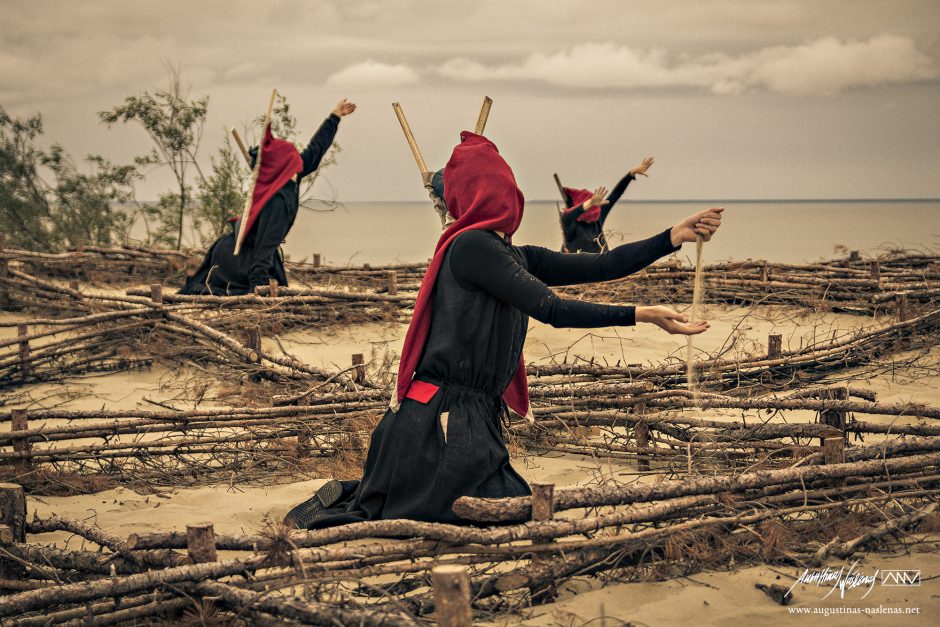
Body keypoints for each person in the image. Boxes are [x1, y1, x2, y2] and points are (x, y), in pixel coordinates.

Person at [284, 133, 722, 529]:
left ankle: (364, 489)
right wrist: (641, 314)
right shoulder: (471, 248)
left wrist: (671, 237)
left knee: (501, 504)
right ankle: (360, 491)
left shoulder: (511, 254)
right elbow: (551, 308)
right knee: (493, 510)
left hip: (465, 420)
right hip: (436, 424)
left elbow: (603, 265)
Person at [179, 99, 356, 295]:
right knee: (246, 290)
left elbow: (315, 150)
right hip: (238, 259)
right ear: (287, 164)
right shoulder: (278, 200)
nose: (301, 161)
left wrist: (334, 116)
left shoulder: (287, 174)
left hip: (227, 251)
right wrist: (258, 288)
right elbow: (265, 246)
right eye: (296, 158)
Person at [560, 157, 654, 253]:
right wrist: (590, 203)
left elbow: (615, 194)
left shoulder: (597, 219)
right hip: (580, 266)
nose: (594, 210)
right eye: (590, 205)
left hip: (602, 263)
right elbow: (569, 215)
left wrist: (631, 174)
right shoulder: (570, 224)